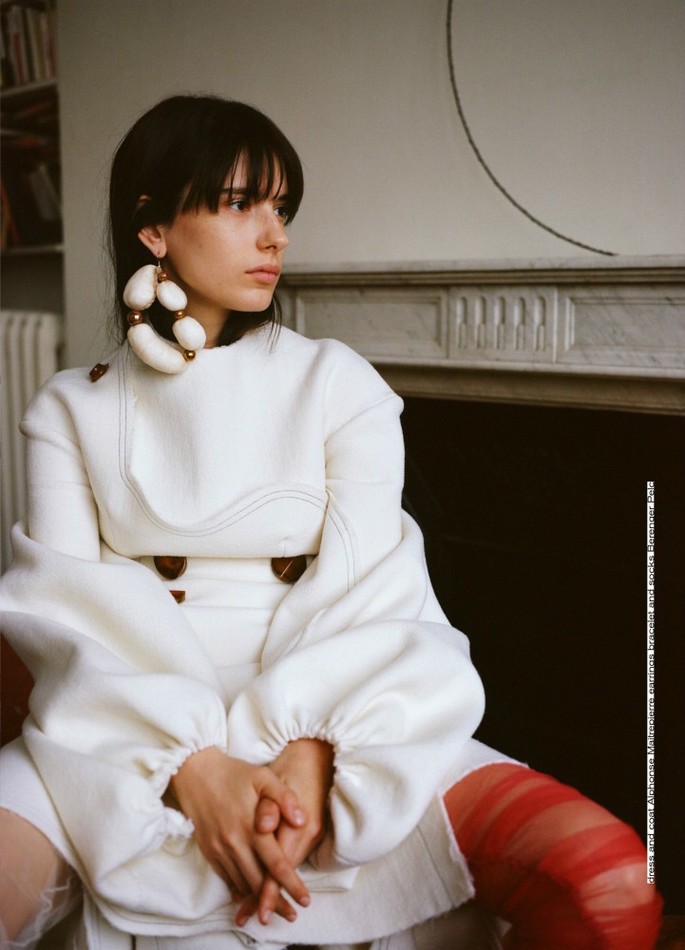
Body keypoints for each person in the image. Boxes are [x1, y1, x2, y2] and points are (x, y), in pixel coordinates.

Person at [0, 94, 662, 950]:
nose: (274, 235)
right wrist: (193, 767)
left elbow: (373, 581)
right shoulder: (68, 409)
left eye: (281, 208)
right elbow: (63, 613)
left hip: (343, 708)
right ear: (153, 227)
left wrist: (312, 755)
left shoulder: (336, 381)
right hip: (124, 727)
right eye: (240, 204)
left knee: (608, 883)